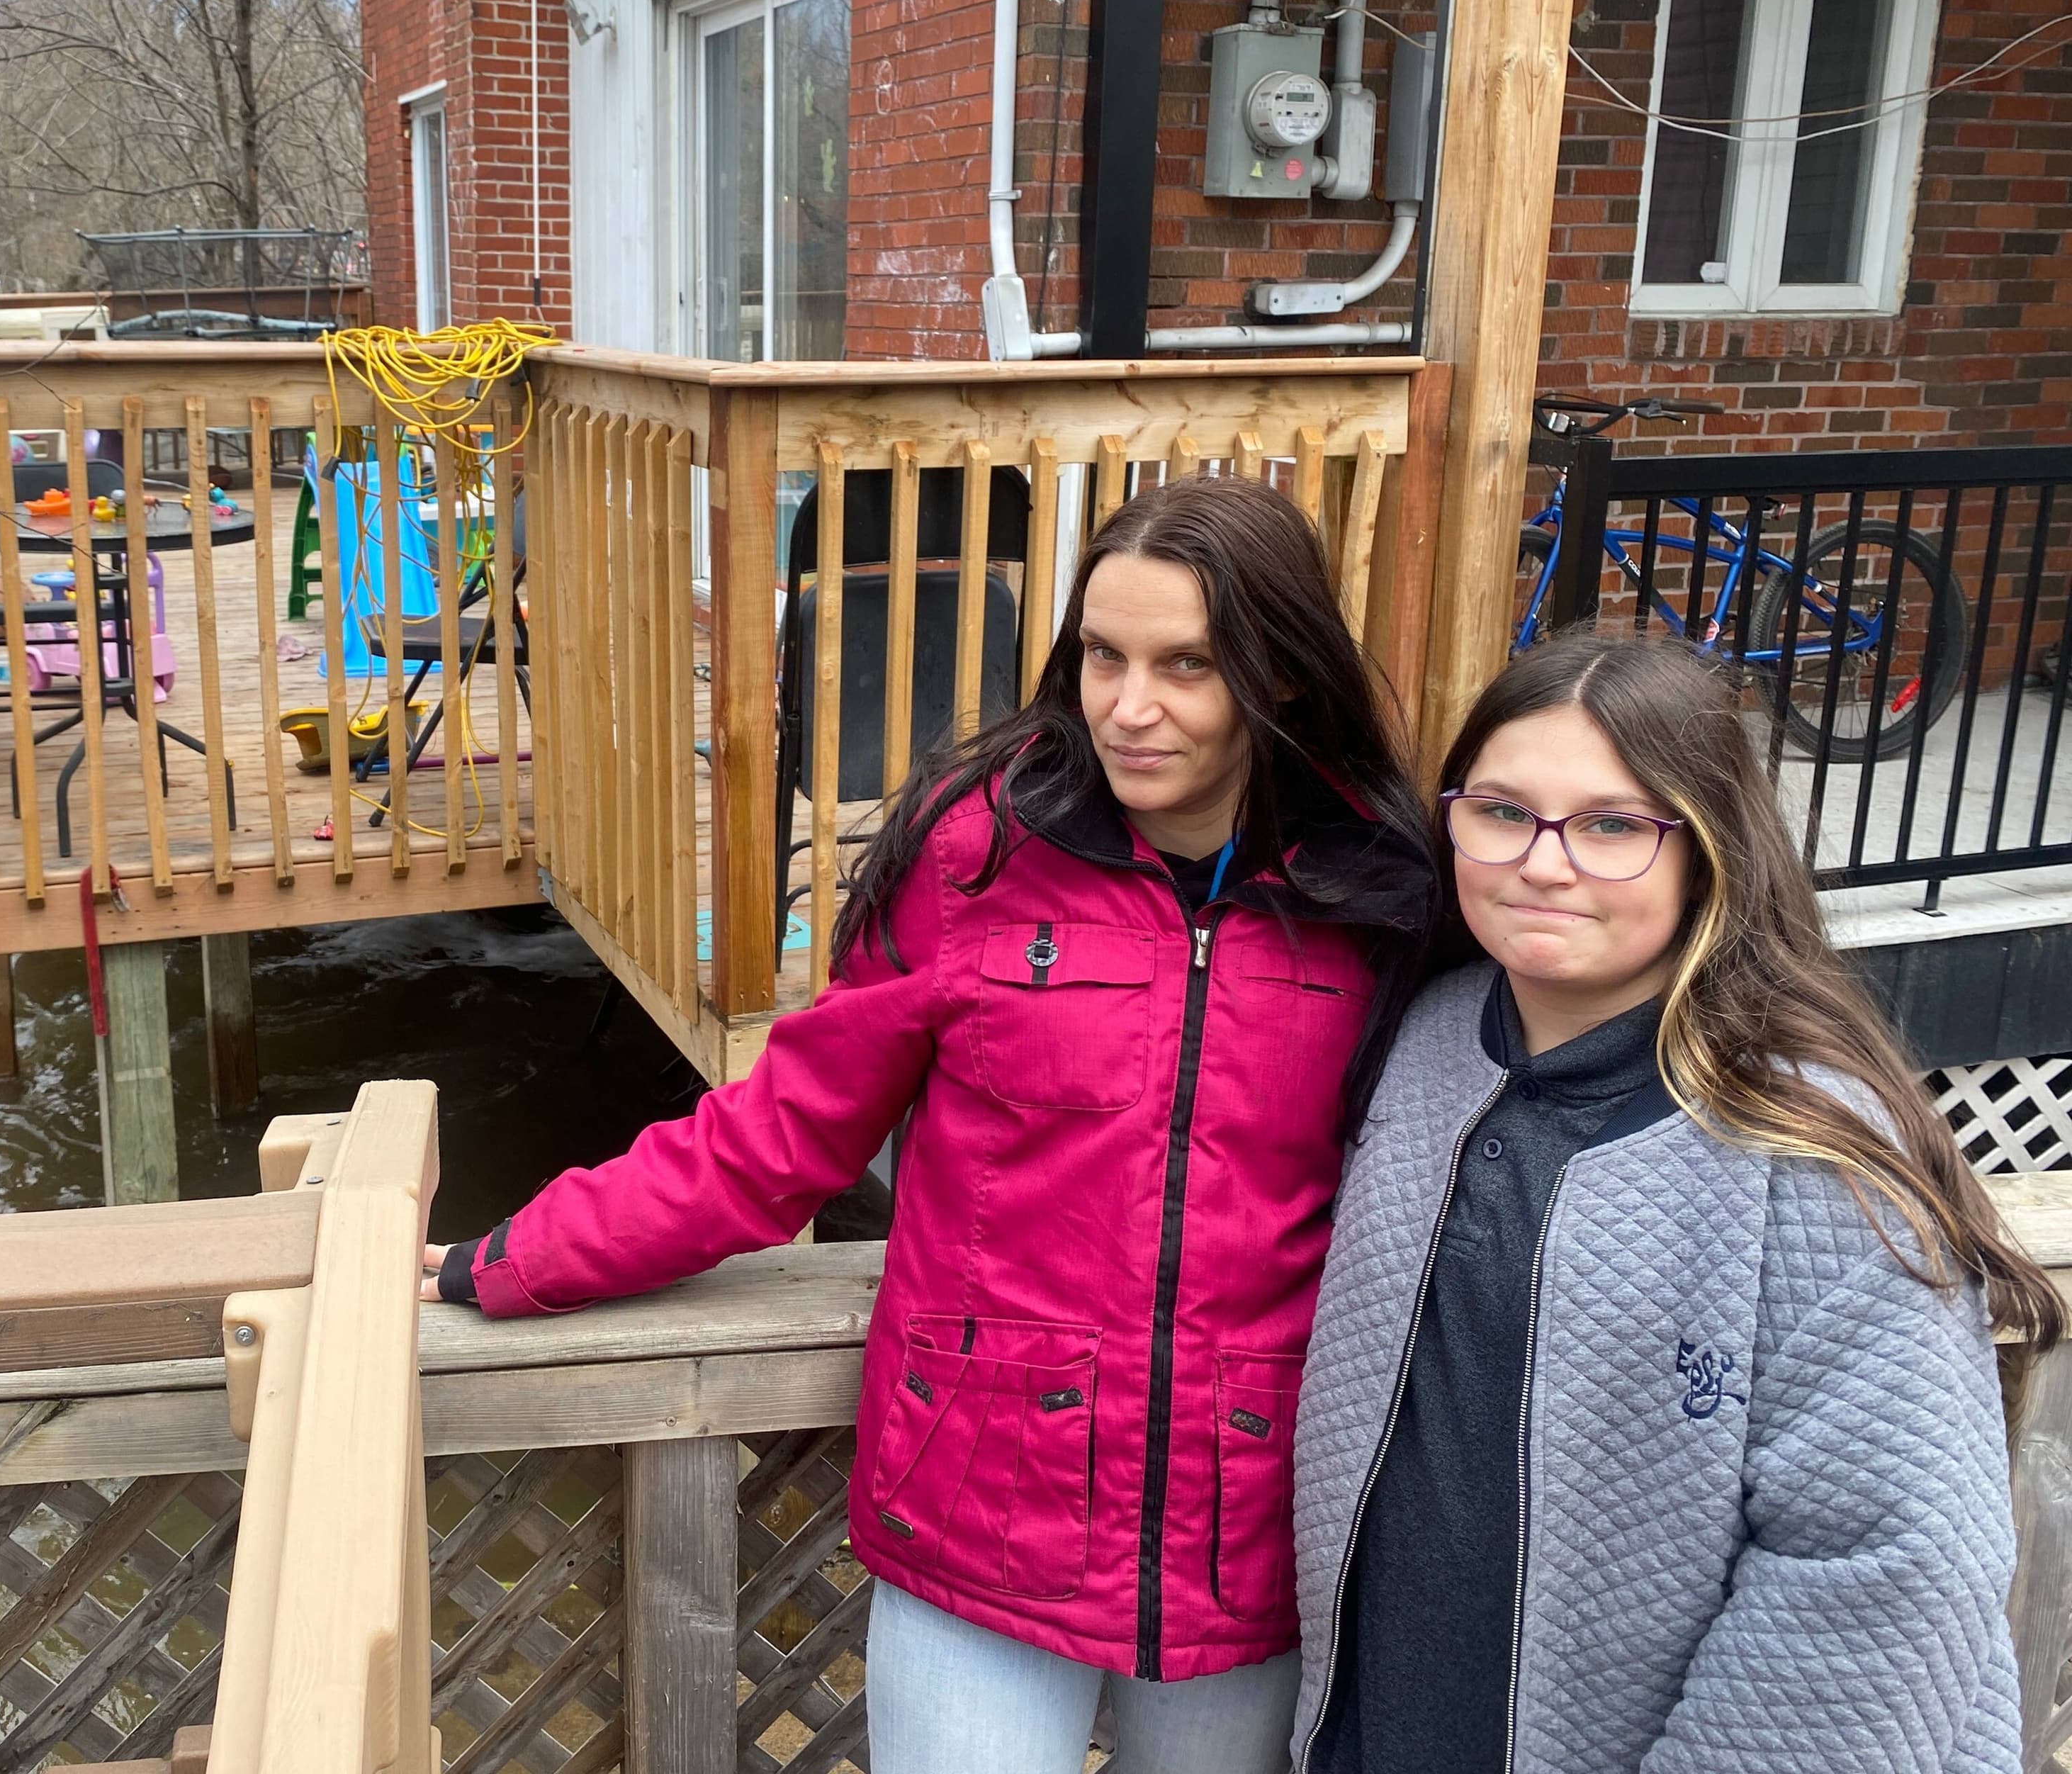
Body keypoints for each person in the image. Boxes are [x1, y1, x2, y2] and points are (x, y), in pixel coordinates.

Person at [424, 475, 1436, 1773]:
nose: (1129, 708)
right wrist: (506, 1260)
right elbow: (779, 1136)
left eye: (1187, 665)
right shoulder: (977, 856)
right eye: (1104, 656)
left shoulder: (1381, 894)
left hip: (1245, 1535)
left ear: (1281, 672)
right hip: (982, 1507)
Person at [1293, 631, 2063, 1774]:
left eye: (1612, 826)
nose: (1544, 862)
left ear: (1706, 848)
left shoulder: (1814, 1154)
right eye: (1501, 812)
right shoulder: (1421, 1042)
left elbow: (1894, 1569)